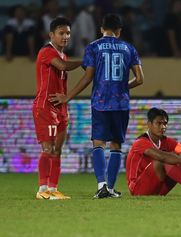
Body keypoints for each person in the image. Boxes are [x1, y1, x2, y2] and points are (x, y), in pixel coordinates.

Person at [50, 14, 144, 198]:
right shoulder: (129, 48)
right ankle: (110, 188)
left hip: (100, 102)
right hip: (121, 103)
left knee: (98, 143)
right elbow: (140, 79)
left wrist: (67, 97)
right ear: (119, 31)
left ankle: (101, 185)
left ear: (101, 29)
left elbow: (88, 77)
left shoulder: (93, 47)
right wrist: (124, 86)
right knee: (116, 145)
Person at [32, 17, 82, 200]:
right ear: (51, 35)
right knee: (48, 149)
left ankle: (53, 189)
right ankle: (42, 189)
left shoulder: (64, 55)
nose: (65, 36)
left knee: (58, 150)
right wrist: (85, 63)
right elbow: (63, 67)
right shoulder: (46, 51)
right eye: (61, 33)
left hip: (60, 108)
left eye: (68, 33)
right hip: (46, 107)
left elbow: (64, 66)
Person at [126, 108, 181, 196]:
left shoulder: (166, 141)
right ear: (149, 124)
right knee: (165, 161)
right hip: (138, 189)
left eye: (165, 123)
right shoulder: (140, 142)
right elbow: (162, 157)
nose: (163, 127)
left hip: (159, 188)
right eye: (159, 123)